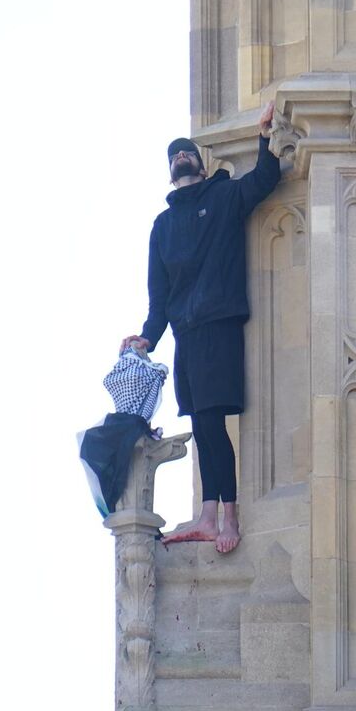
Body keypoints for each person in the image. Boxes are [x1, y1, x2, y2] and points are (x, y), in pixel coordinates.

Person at [121, 100, 281, 553]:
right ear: (170, 172)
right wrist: (146, 338)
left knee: (212, 423)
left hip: (218, 324)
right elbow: (159, 299)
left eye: (186, 151)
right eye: (173, 155)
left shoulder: (224, 197)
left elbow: (266, 180)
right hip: (186, 334)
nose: (180, 156)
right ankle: (208, 514)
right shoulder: (163, 226)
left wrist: (264, 136)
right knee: (203, 425)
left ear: (200, 162)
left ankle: (226, 518)